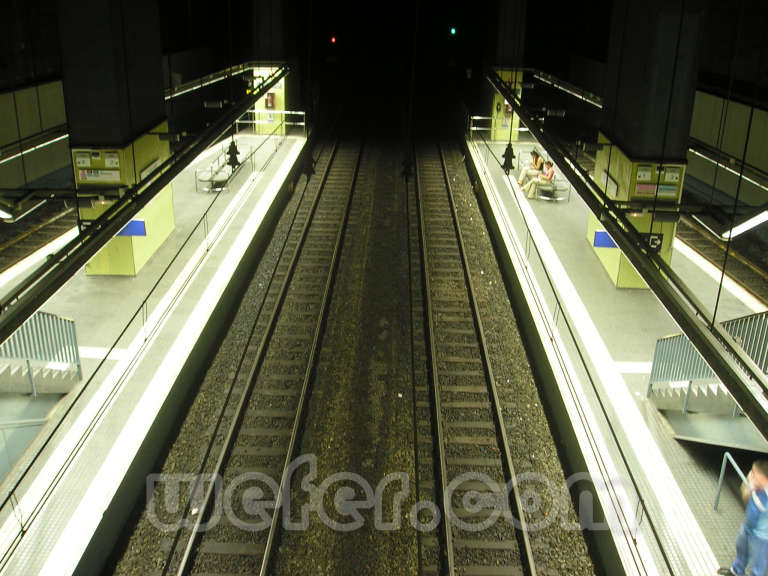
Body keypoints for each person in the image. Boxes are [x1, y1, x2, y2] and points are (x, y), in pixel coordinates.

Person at [719, 460, 768, 576]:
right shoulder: (755, 484)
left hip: (761, 537)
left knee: (758, 563)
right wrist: (751, 486)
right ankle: (736, 571)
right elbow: (745, 494)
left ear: (763, 477)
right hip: (747, 526)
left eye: (755, 473)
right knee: (741, 549)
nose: (751, 474)